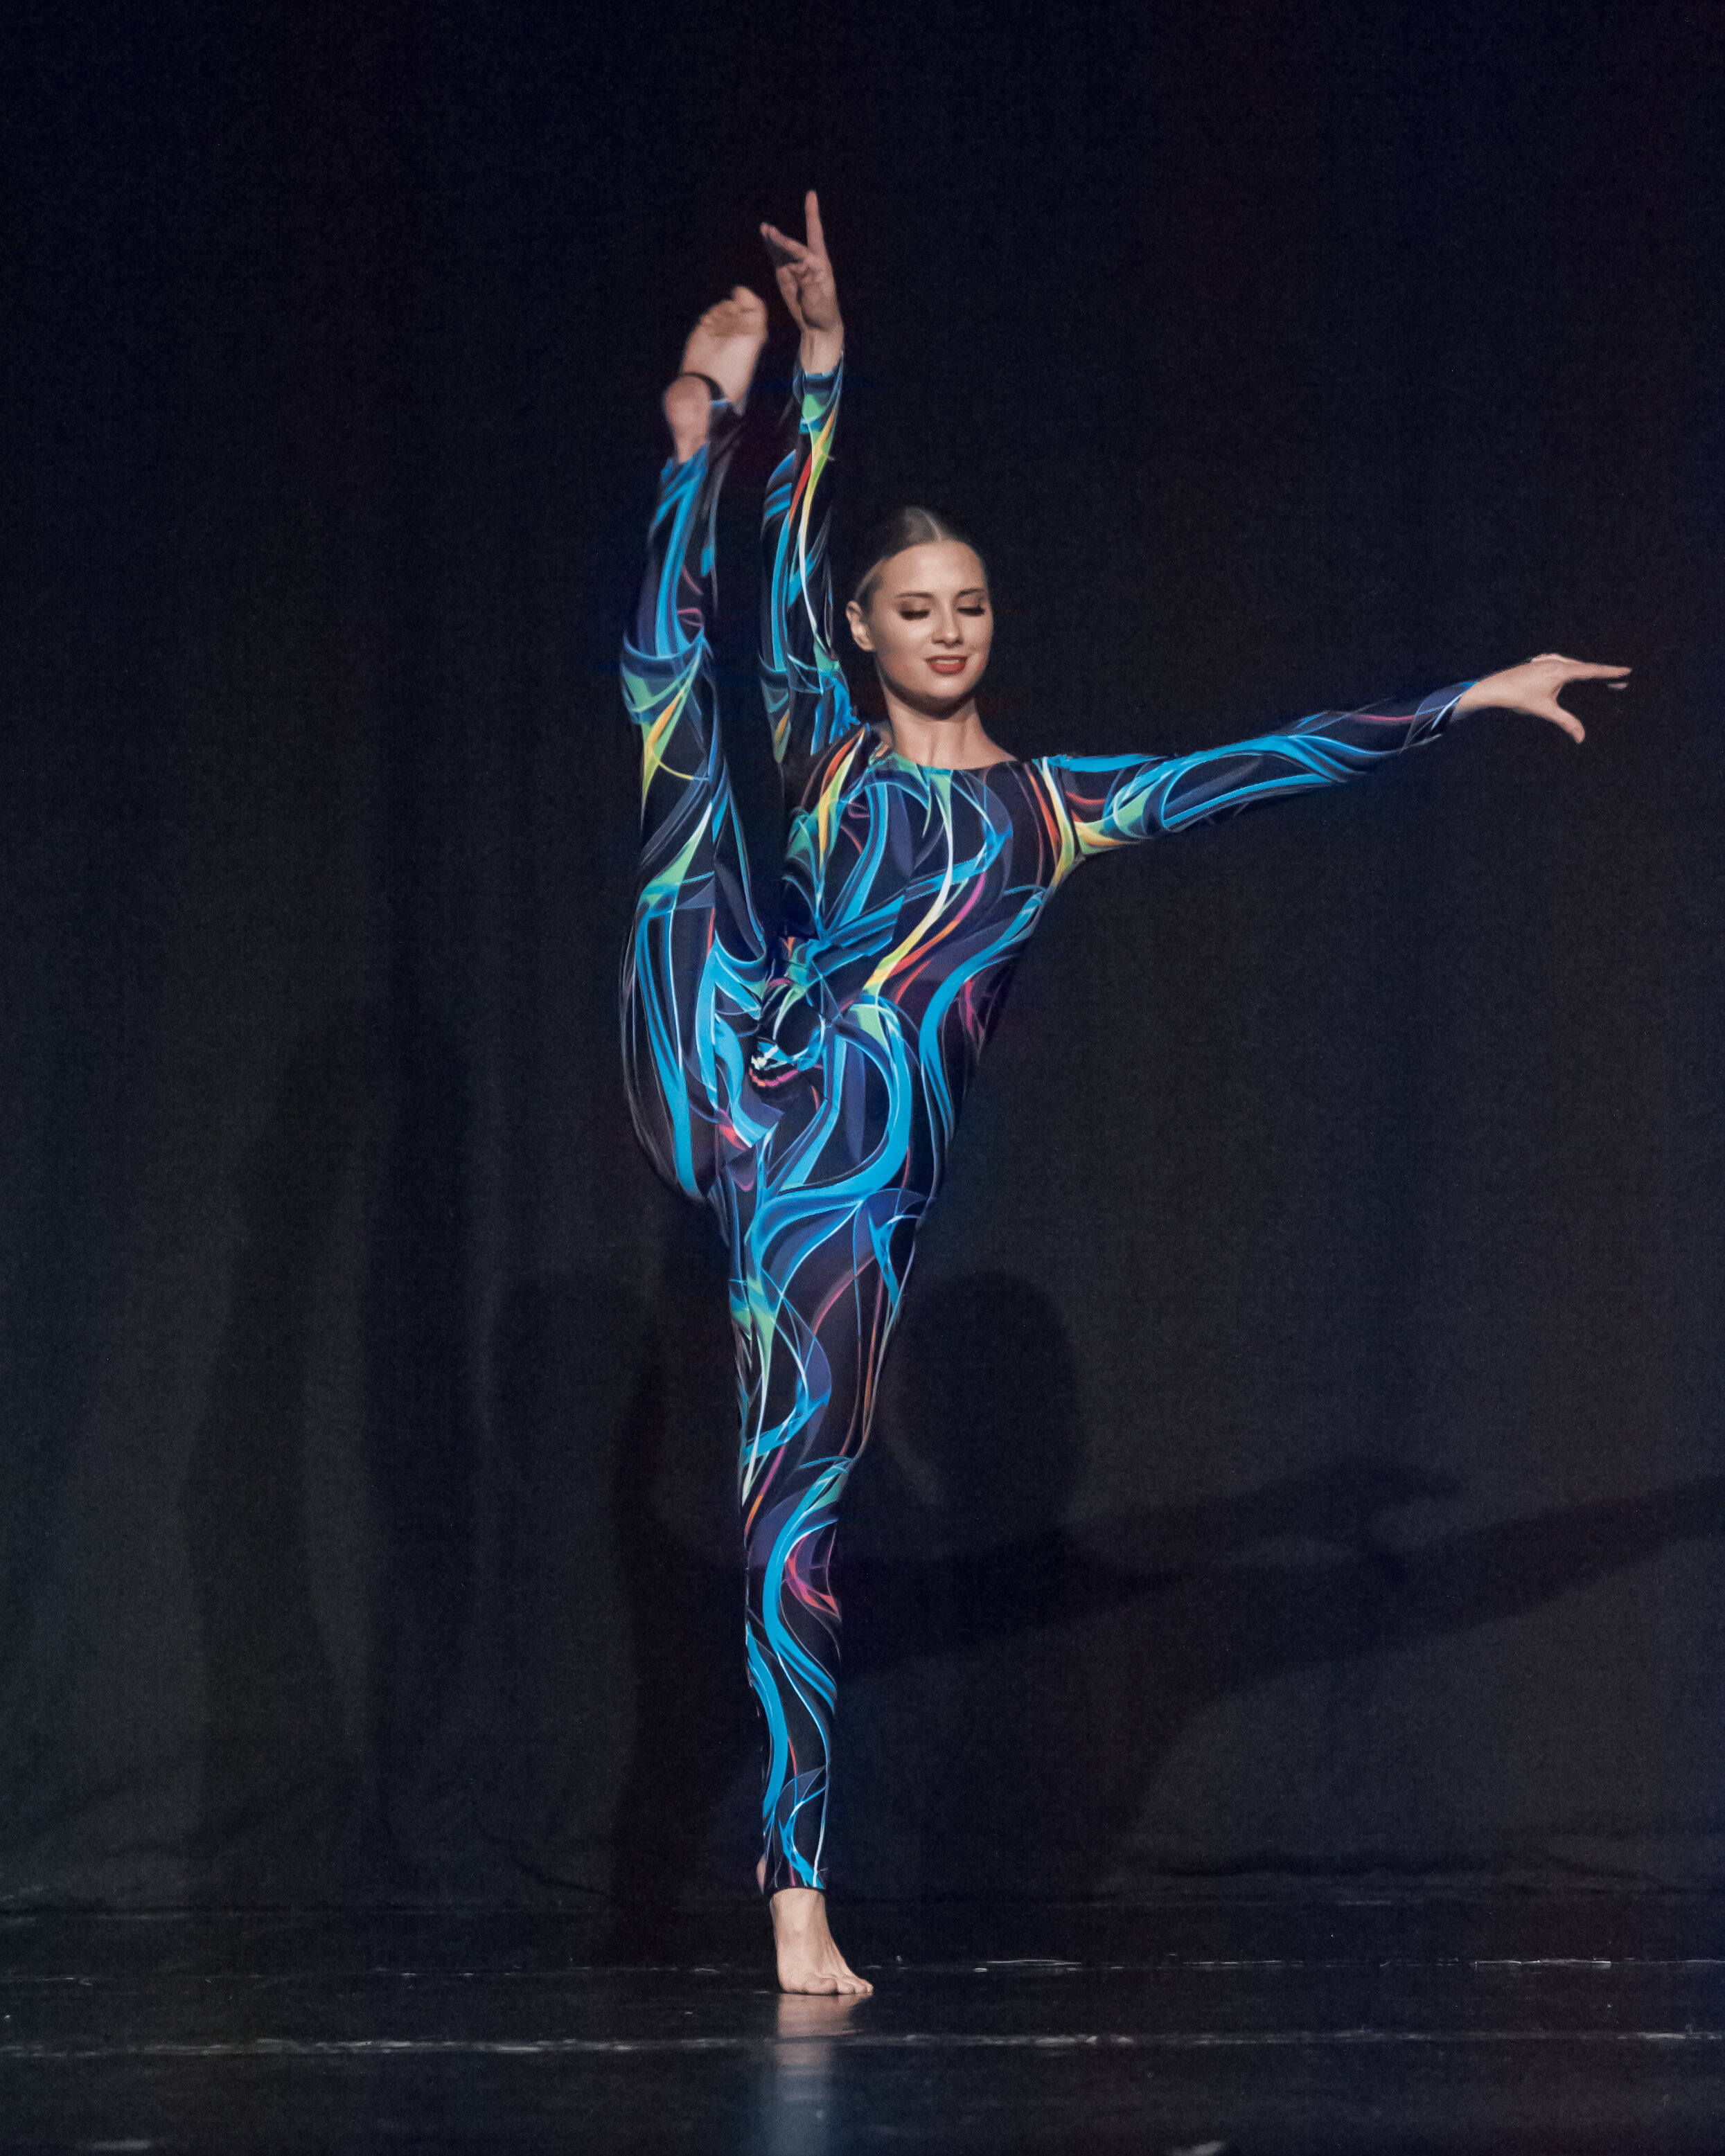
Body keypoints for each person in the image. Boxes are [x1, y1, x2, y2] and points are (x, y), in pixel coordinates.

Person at [618, 190, 1629, 1994]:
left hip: (871, 1188)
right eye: (913, 607)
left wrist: (1463, 698)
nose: (948, 628)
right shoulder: (828, 751)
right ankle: (697, 448)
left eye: (969, 605)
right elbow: (779, 587)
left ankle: (790, 1875)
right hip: (772, 1101)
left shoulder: (1055, 807)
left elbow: (1265, 760)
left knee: (802, 1524)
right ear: (865, 629)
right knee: (683, 720)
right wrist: (822, 372)